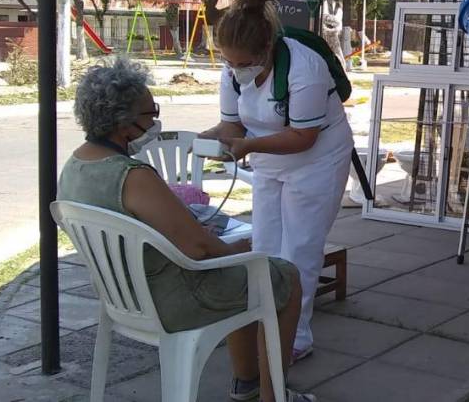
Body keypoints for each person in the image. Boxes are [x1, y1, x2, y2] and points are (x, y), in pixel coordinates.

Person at [57, 58, 316, 402]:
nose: (155, 121)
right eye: (150, 114)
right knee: (281, 275)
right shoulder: (132, 176)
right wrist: (235, 251)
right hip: (170, 299)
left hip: (122, 296)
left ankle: (247, 383)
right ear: (124, 124)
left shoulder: (74, 167)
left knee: (246, 273)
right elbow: (198, 249)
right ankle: (274, 396)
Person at [200, 0, 354, 362]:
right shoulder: (232, 69)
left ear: (266, 47)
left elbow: (303, 137)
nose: (235, 70)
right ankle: (262, 323)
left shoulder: (305, 69)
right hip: (270, 159)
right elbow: (231, 124)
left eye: (242, 63)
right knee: (266, 245)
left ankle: (295, 337)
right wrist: (209, 139)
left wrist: (247, 146)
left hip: (318, 160)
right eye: (229, 62)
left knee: (299, 249)